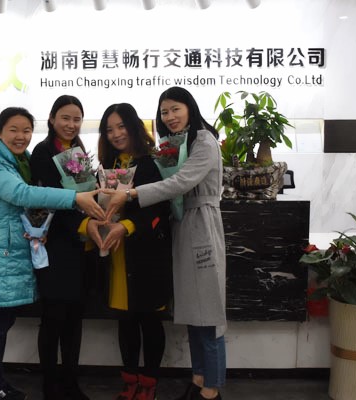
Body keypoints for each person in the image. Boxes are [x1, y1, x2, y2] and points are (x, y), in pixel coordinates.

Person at [0, 106, 105, 400]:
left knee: (3, 321)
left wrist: (40, 225)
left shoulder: (21, 161)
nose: (21, 136)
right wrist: (75, 198)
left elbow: (30, 204)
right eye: (13, 130)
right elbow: (22, 194)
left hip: (14, 250)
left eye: (26, 130)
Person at [105, 87, 227, 400]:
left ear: (189, 108)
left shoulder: (204, 140)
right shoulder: (177, 144)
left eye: (175, 109)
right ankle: (199, 379)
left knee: (208, 313)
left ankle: (212, 389)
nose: (170, 116)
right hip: (182, 227)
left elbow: (182, 182)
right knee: (192, 312)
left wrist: (132, 194)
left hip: (201, 226)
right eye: (164, 112)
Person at [86, 103, 173, 400]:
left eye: (121, 126)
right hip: (116, 254)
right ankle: (130, 381)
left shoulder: (150, 164)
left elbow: (159, 209)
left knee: (149, 320)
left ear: (134, 126)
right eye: (109, 129)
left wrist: (128, 226)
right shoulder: (106, 166)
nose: (116, 134)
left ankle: (149, 383)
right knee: (125, 320)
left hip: (145, 256)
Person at [29, 95, 92, 400]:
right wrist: (84, 223)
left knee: (74, 319)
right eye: (65, 118)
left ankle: (70, 381)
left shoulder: (78, 152)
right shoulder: (42, 153)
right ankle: (50, 384)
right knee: (53, 318)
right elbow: (50, 200)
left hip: (79, 247)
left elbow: (85, 194)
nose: (71, 124)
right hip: (53, 246)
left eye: (76, 119)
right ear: (52, 119)